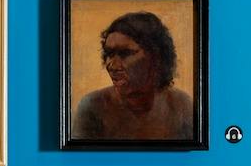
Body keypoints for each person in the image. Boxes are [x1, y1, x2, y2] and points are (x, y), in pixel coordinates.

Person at [72, 10, 196, 141]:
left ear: (155, 57)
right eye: (109, 54)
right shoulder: (93, 107)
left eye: (125, 53)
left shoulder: (182, 106)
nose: (112, 65)